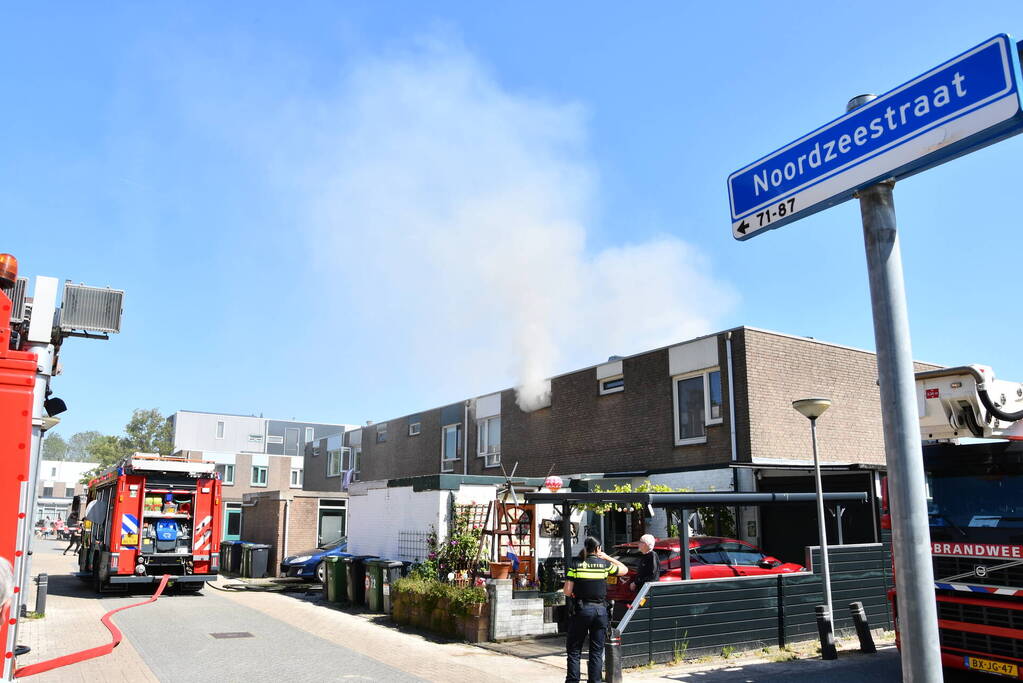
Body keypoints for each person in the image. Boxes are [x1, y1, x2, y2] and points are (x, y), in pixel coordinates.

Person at [563, 536, 628, 683]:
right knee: (596, 651)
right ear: (598, 549)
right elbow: (624, 570)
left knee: (574, 650)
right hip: (601, 612)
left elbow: (567, 591)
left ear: (585, 548)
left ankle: (573, 680)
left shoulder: (576, 565)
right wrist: (607, 557)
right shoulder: (604, 565)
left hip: (582, 611)